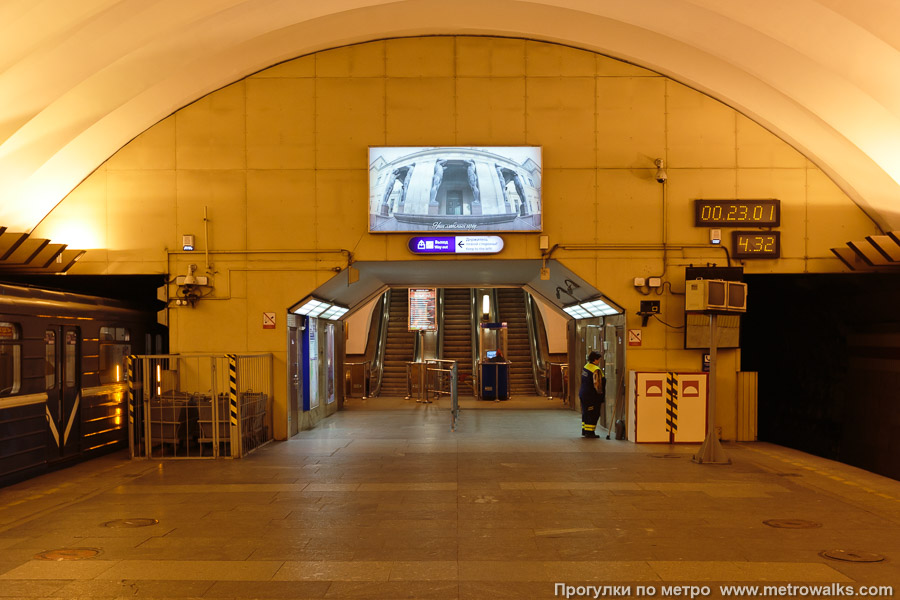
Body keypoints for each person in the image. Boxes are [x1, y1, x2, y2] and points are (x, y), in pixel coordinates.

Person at [579, 351, 605, 438]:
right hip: (591, 396)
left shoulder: (586, 366)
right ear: (595, 359)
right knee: (593, 413)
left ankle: (585, 430)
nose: (600, 361)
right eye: (599, 359)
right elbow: (597, 385)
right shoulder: (595, 370)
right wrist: (600, 396)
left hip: (583, 393)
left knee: (586, 412)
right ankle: (590, 432)